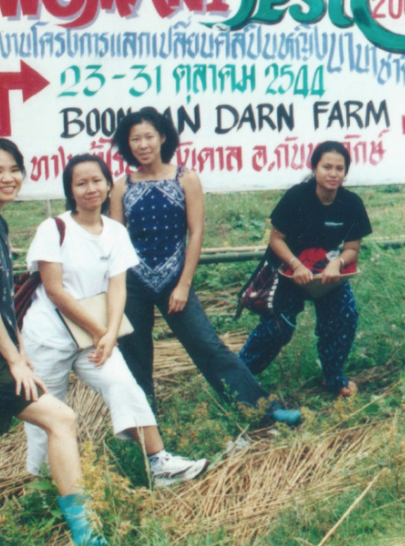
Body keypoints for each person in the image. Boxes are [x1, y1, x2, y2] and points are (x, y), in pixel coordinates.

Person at [0, 138, 106, 546]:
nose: (8, 178)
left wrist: (20, 351)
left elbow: (3, 297)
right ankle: (86, 535)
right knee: (61, 419)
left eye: (14, 169)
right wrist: (14, 360)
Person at [22, 155, 207, 485]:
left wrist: (109, 334)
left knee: (124, 385)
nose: (91, 188)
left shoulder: (116, 232)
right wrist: (102, 330)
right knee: (46, 412)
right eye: (81, 183)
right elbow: (55, 291)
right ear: (71, 190)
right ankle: (42, 484)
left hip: (93, 337)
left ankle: (159, 462)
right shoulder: (53, 228)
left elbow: (117, 286)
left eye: (97, 180)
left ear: (110, 184)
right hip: (48, 336)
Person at [109, 108, 300, 423]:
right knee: (134, 355)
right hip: (132, 283)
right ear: (126, 144)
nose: (142, 145)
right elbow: (115, 240)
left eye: (148, 137)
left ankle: (263, 410)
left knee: (208, 346)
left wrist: (183, 284)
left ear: (163, 138)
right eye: (135, 139)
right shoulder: (121, 186)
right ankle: (142, 426)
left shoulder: (185, 177)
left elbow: (196, 232)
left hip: (174, 278)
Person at [238, 142, 370, 394]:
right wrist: (296, 265)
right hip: (287, 272)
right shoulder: (296, 197)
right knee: (278, 328)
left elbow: (352, 248)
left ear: (346, 172)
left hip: (325, 273)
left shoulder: (352, 203)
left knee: (344, 316)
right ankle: (237, 378)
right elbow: (275, 240)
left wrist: (337, 263)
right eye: (327, 167)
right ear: (314, 168)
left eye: (339, 168)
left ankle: (334, 378)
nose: (333, 173)